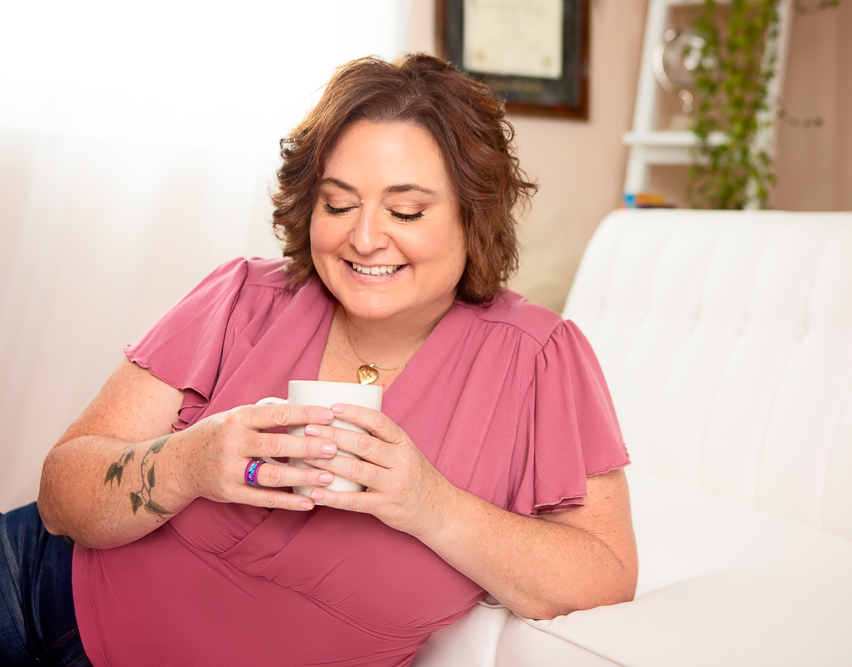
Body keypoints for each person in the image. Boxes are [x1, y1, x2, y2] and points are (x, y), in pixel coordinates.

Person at [1, 53, 636, 666]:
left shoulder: (536, 357)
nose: (363, 238)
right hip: (34, 587)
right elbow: (61, 494)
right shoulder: (243, 298)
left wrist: (431, 505)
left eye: (406, 210)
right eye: (338, 204)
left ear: (475, 215)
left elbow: (605, 573)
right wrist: (189, 462)